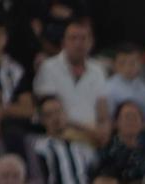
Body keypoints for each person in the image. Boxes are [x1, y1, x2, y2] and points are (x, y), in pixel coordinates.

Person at [32, 17, 110, 146]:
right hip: (61, 137)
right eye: (73, 38)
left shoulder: (98, 71)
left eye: (83, 38)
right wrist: (88, 130)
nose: (78, 43)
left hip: (93, 140)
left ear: (91, 42)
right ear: (63, 42)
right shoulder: (49, 67)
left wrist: (104, 131)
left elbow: (103, 112)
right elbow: (50, 112)